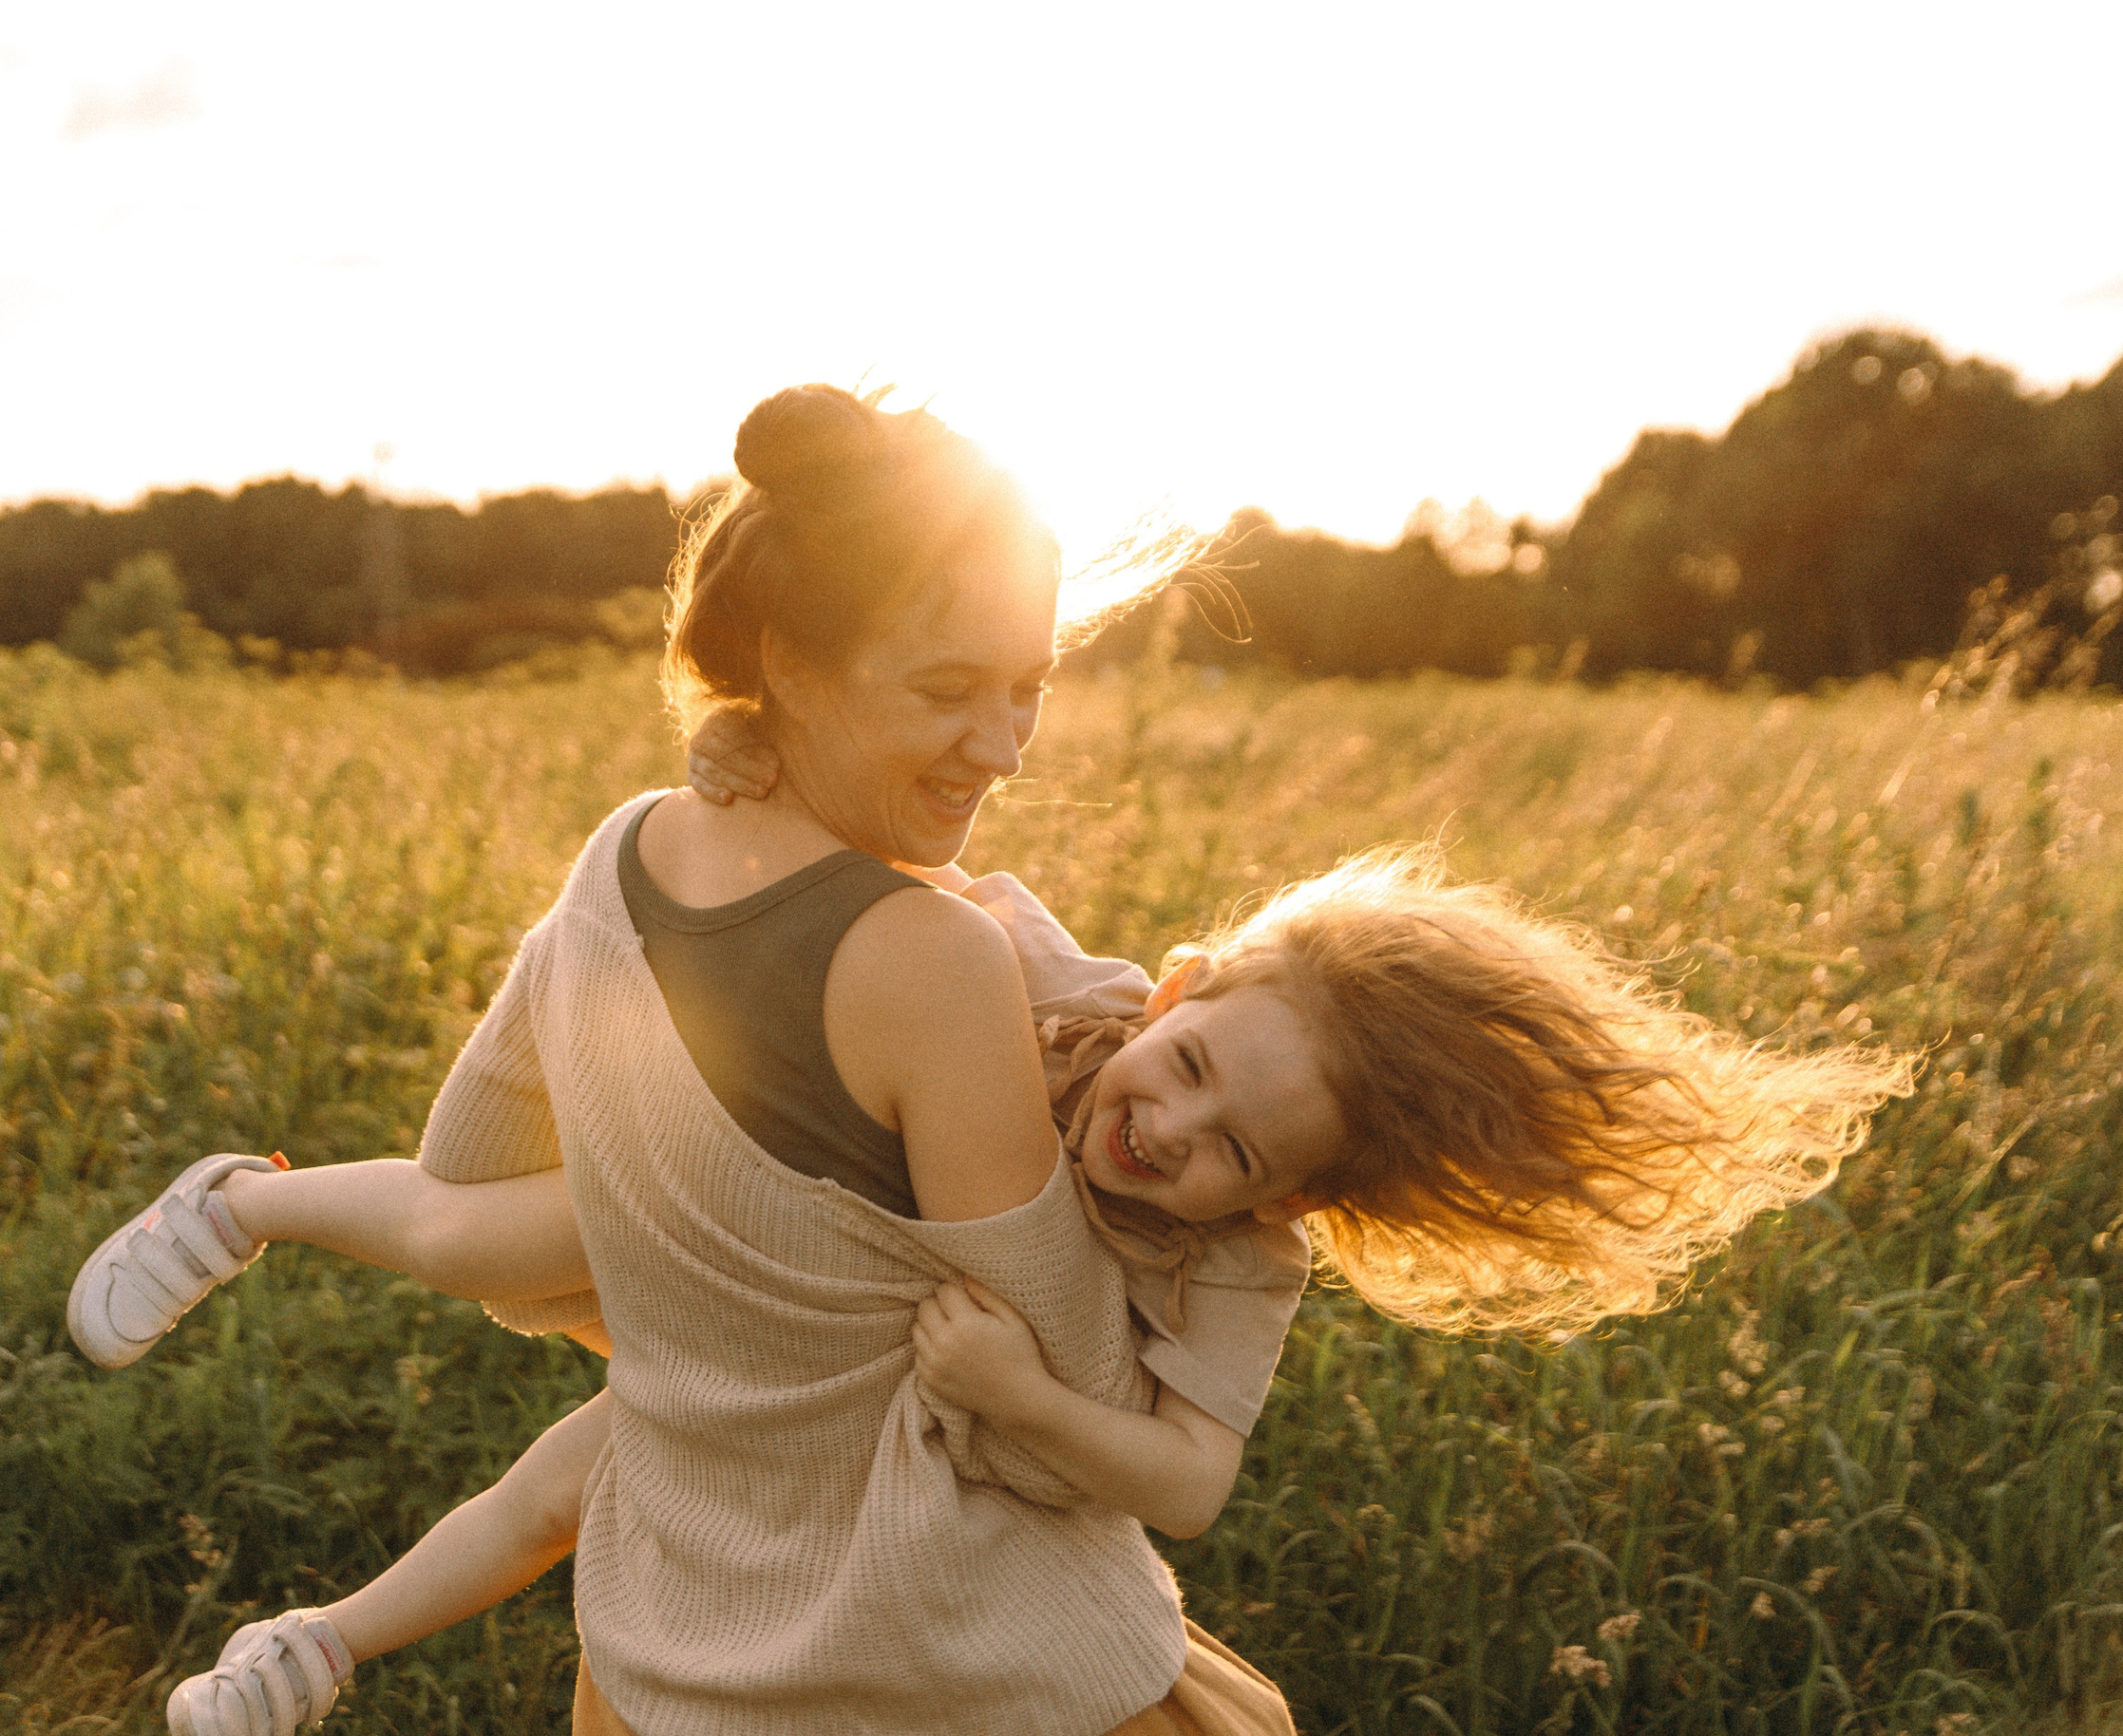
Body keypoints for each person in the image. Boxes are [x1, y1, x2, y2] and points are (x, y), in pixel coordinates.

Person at [109, 808, 1913, 1732]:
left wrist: (1020, 1397)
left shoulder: (1249, 1267)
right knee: (474, 1237)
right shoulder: (1057, 990)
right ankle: (250, 1207)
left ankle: (316, 1646)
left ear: (1293, 1197)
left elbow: (1188, 1485)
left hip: (868, 1414)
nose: (1168, 1132)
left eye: (1236, 1152)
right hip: (779, 1276)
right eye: (1186, 1066)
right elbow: (911, 874)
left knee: (577, 1488)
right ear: (1179, 988)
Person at [79, 384, 1298, 1736]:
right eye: (950, 690)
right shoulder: (940, 959)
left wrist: (693, 1274)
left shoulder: (627, 854)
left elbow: (467, 1167)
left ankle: (247, 1219)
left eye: (1031, 688)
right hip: (922, 1653)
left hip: (671, 1642)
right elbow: (1064, 1410)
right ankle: (245, 1218)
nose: (1007, 750)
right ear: (789, 662)